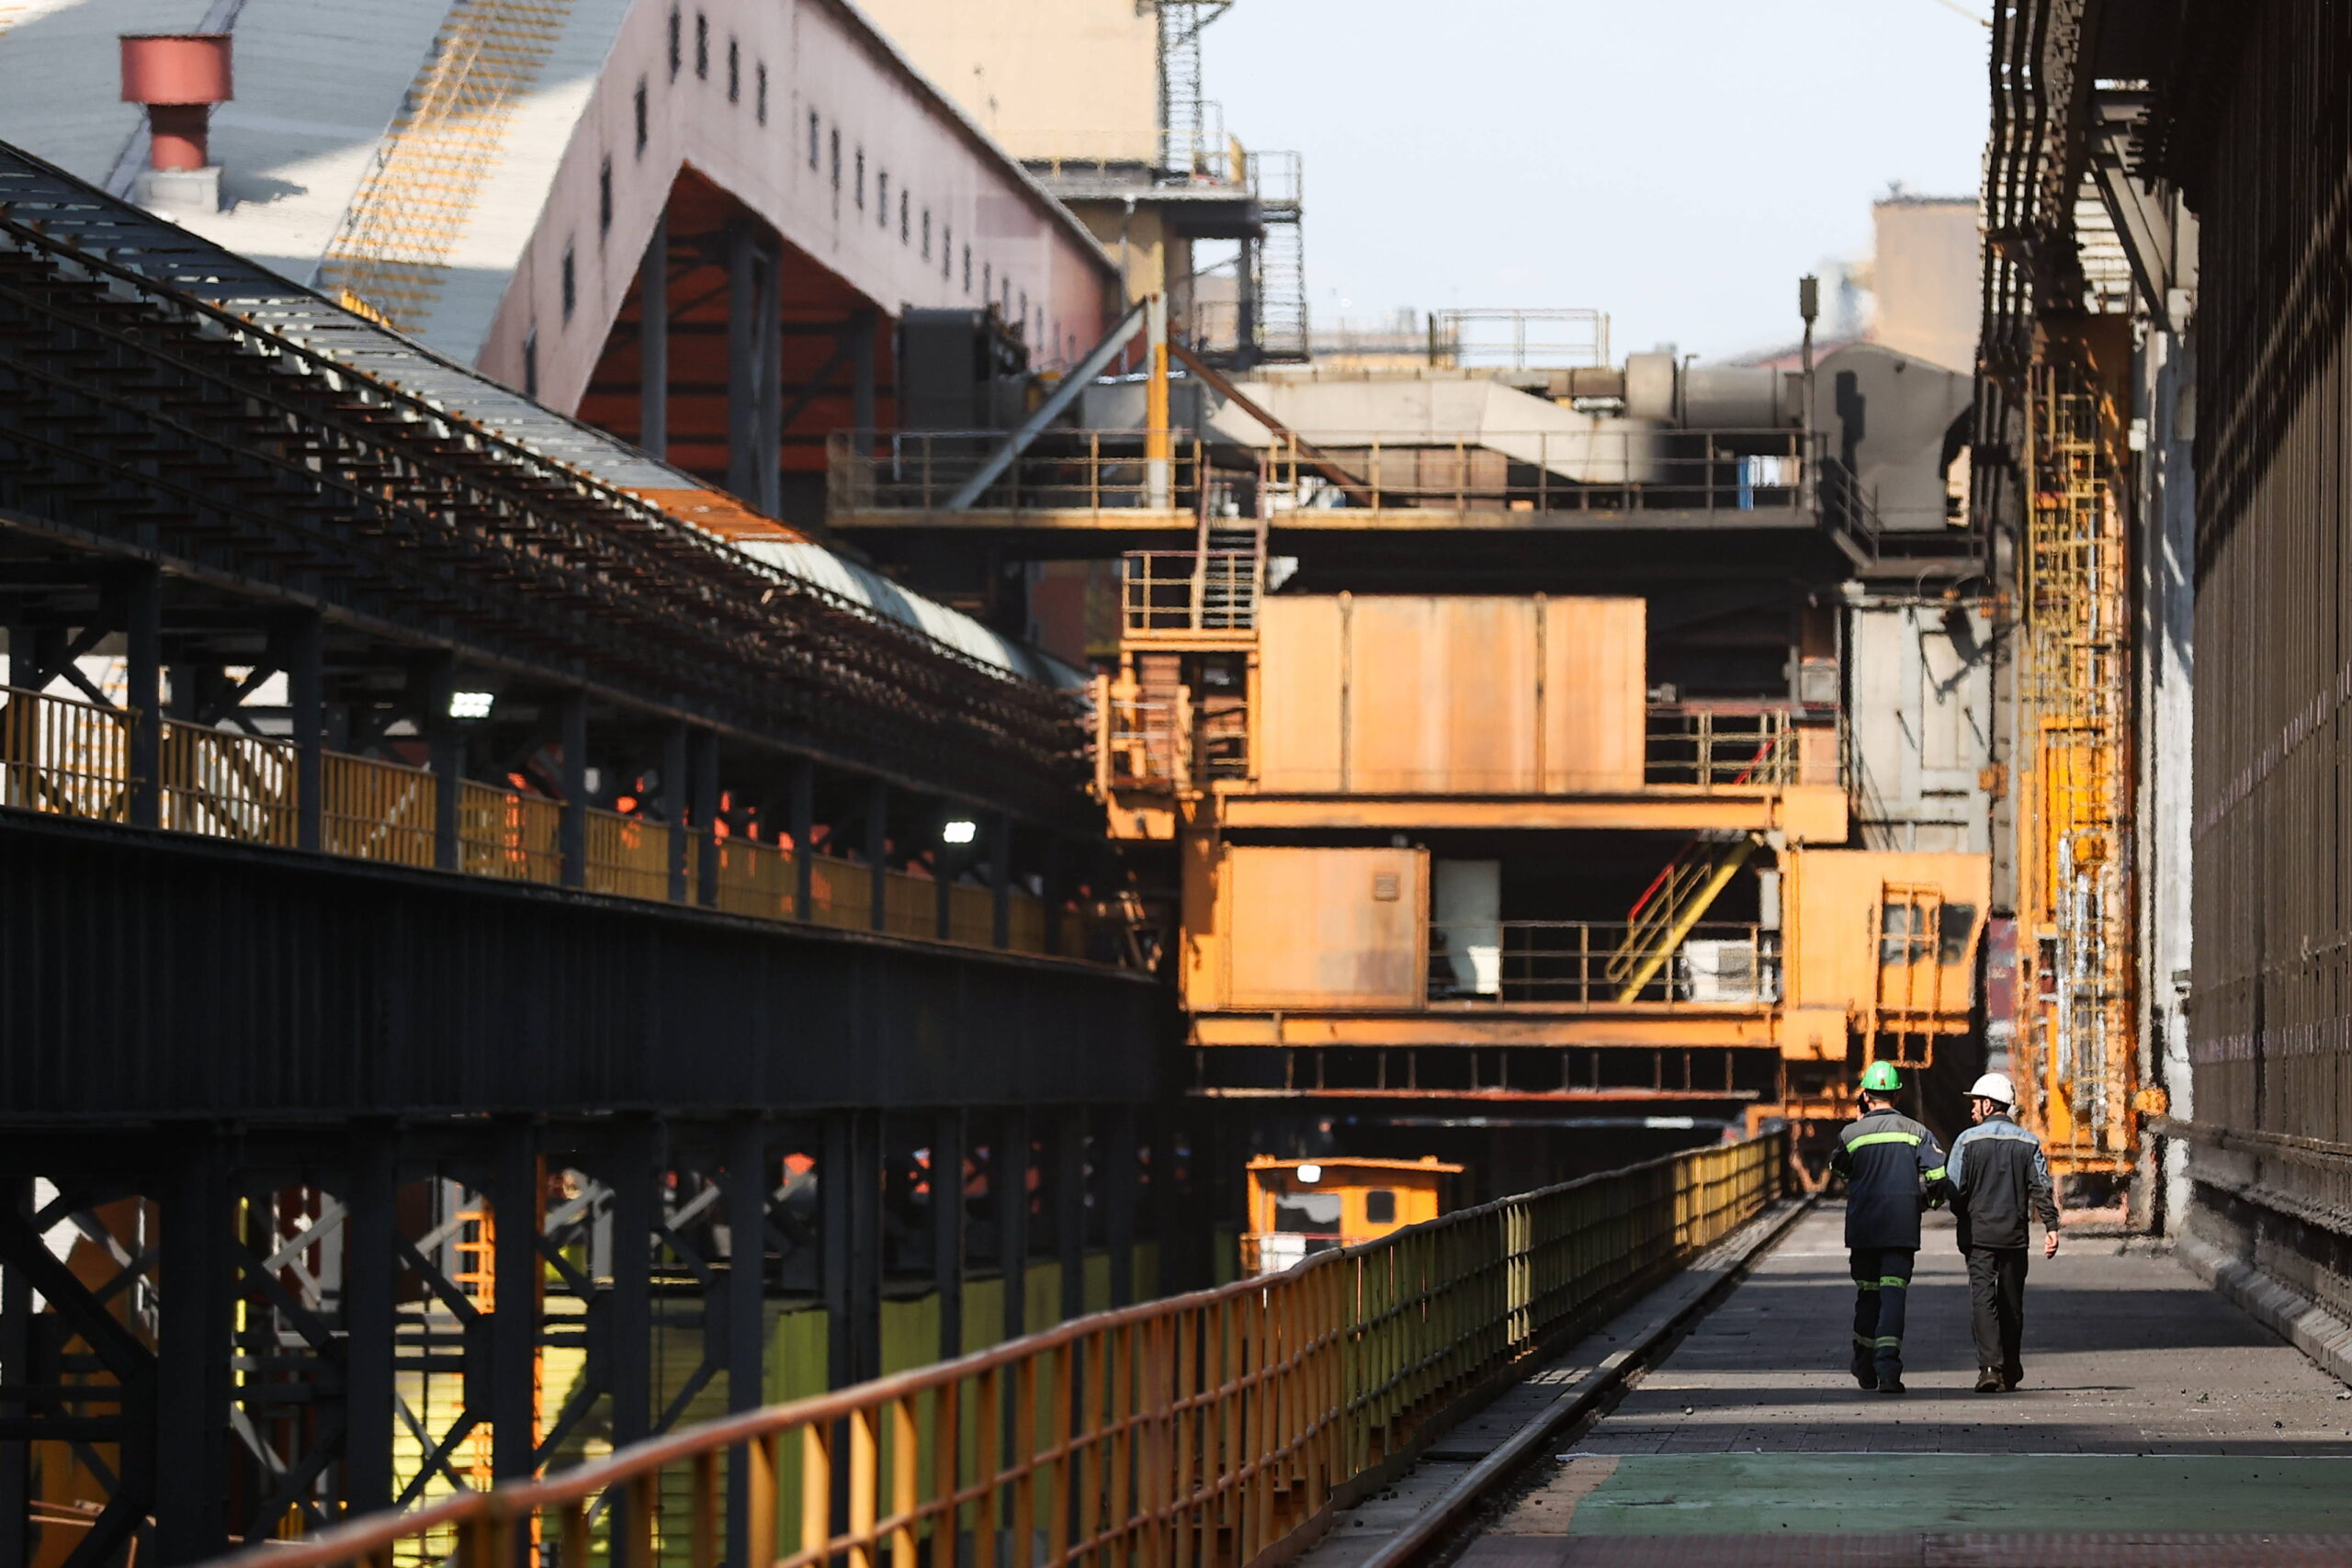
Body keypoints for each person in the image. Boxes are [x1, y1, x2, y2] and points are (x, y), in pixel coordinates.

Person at [1827, 1061, 1947, 1394]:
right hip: (1901, 1229)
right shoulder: (1916, 1131)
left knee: (1868, 1295)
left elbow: (1838, 1171)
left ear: (1865, 1095)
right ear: (1896, 1093)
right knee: (1893, 1296)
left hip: (1864, 1230)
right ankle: (1889, 1371)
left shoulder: (1851, 1134)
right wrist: (1929, 1203)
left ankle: (1863, 1365)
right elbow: (1938, 1176)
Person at [1946, 1071, 2061, 1393]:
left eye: (1975, 1103)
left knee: (1983, 1300)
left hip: (1978, 1237)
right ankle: (2011, 1366)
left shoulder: (1966, 1141)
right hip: (2014, 1236)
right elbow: (2041, 1186)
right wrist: (2051, 1227)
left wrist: (1962, 1214)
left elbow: (1954, 1188)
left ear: (1987, 1104)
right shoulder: (2028, 1142)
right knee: (2011, 1301)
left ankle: (1989, 1369)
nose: (1972, 1110)